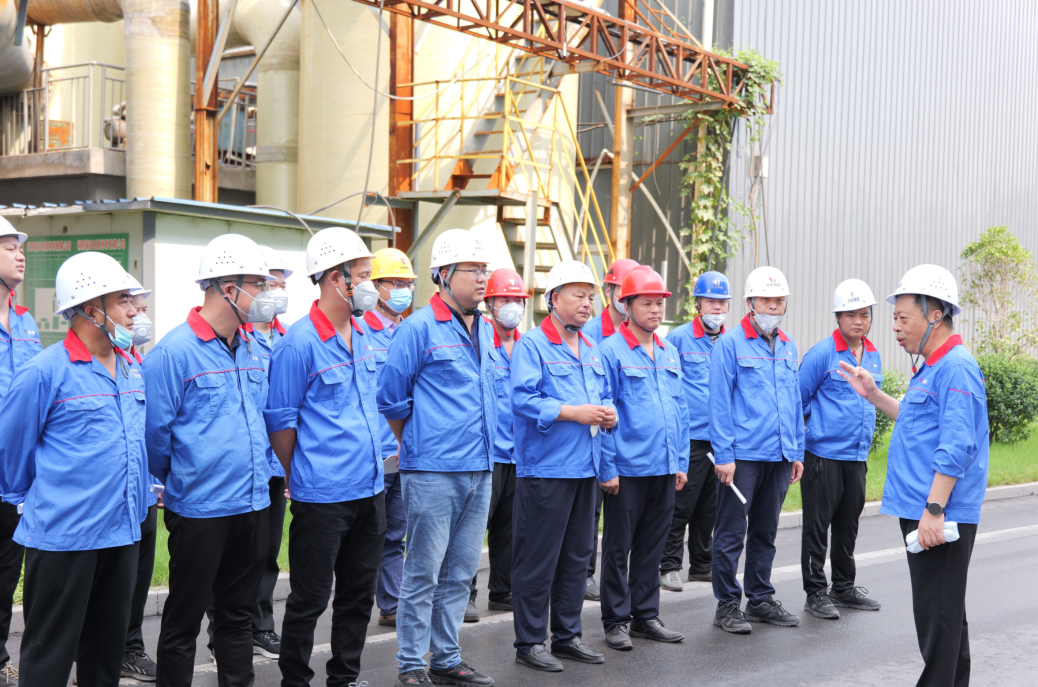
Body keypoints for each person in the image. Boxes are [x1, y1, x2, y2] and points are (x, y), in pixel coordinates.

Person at [0, 251, 146, 687]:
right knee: (49, 657)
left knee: (105, 656)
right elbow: (11, 454)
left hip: (122, 533)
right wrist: (45, 501)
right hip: (65, 538)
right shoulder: (44, 372)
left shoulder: (130, 367)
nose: (134, 310)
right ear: (91, 309)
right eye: (123, 300)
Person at [839, 265, 988, 687]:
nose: (895, 326)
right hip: (926, 509)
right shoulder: (934, 366)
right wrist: (874, 394)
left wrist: (934, 510)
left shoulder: (955, 367)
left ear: (935, 314)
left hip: (938, 514)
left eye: (903, 317)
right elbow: (916, 420)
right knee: (945, 616)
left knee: (937, 620)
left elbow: (957, 445)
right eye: (895, 318)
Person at [143, 234, 276, 687]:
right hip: (200, 510)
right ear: (228, 288)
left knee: (237, 620)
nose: (266, 293)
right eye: (258, 284)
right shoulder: (173, 353)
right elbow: (155, 437)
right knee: (183, 621)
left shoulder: (252, 347)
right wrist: (182, 479)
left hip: (252, 505)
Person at [265, 227, 387, 687]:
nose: (371, 285)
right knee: (310, 598)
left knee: (358, 596)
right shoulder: (298, 344)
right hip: (323, 495)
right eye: (364, 275)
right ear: (336, 278)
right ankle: (295, 680)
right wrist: (299, 472)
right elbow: (281, 422)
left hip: (370, 488)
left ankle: (345, 678)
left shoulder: (364, 333)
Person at [377, 229, 497, 687]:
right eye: (473, 270)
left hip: (480, 467)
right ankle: (411, 664)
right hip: (432, 471)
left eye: (484, 269)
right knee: (423, 572)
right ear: (444, 275)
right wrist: (417, 440)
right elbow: (391, 398)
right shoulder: (418, 328)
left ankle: (446, 658)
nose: (482, 278)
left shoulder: (485, 327)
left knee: (460, 572)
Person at [510, 260, 615, 673]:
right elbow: (522, 400)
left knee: (576, 557)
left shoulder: (591, 346)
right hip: (547, 470)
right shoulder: (532, 345)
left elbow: (603, 397)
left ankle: (567, 636)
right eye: (578, 295)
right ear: (554, 299)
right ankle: (530, 642)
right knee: (539, 559)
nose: (587, 303)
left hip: (586, 468)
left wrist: (608, 413)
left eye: (591, 296)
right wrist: (572, 412)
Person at [203, 245, 291, 662]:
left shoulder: (285, 338)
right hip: (233, 468)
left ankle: (260, 626)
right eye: (265, 283)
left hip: (271, 464)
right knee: (223, 562)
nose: (274, 291)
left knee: (265, 554)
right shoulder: (237, 338)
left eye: (279, 284)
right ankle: (222, 633)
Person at [709, 266, 804, 634]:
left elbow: (794, 402)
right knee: (731, 532)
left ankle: (760, 599)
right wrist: (724, 456)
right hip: (743, 458)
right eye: (766, 299)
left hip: (779, 456)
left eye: (779, 300)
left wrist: (796, 451)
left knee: (765, 531)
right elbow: (719, 403)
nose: (773, 306)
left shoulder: (789, 345)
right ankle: (727, 605)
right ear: (750, 302)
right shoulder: (730, 344)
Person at [597, 267, 688, 651]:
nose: (655, 310)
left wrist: (680, 461)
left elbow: (680, 409)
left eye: (659, 303)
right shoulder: (610, 351)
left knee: (652, 545)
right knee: (619, 548)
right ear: (627, 305)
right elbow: (604, 413)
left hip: (663, 466)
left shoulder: (669, 352)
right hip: (628, 468)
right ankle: (616, 621)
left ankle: (645, 616)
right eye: (647, 303)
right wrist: (608, 467)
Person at [798, 279, 883, 620]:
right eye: (850, 315)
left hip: (857, 457)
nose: (858, 321)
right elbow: (798, 400)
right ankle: (815, 593)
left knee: (848, 527)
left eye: (864, 314)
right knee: (817, 529)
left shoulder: (872, 353)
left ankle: (843, 588)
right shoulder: (822, 354)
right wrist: (813, 434)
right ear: (838, 317)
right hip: (823, 457)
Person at [659, 271, 730, 592]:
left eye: (722, 303)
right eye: (711, 301)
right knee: (681, 503)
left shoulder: (732, 341)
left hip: (721, 438)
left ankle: (702, 565)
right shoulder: (679, 338)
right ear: (698, 303)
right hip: (690, 438)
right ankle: (668, 565)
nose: (717, 308)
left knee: (709, 507)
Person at [465, 268, 528, 623]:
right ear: (489, 303)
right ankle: (465, 594)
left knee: (510, 528)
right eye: (505, 299)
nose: (512, 307)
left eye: (517, 300)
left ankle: (503, 591)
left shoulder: (527, 346)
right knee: (474, 529)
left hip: (519, 454)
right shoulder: (477, 340)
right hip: (486, 453)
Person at [364, 247, 418, 629]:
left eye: (406, 284)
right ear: (375, 286)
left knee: (396, 534)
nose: (401, 290)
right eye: (394, 283)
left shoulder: (412, 332)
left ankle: (391, 604)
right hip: (370, 454)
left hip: (404, 452)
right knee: (365, 536)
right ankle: (354, 606)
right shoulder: (360, 331)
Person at [580, 257, 638, 601]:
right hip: (592, 434)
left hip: (626, 441)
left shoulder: (642, 334)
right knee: (590, 511)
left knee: (620, 518)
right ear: (610, 290)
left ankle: (622, 580)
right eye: (620, 287)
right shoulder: (589, 332)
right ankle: (585, 574)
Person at [0, 219, 39, 687]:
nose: (20, 254)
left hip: (16, 474)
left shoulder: (27, 321)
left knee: (8, 572)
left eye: (19, 247)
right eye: (9, 247)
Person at [118, 276, 160, 682]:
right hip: (114, 498)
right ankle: (96, 655)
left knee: (136, 582)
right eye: (132, 306)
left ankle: (130, 649)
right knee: (111, 584)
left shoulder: (138, 362)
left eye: (143, 308)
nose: (139, 315)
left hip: (145, 492)